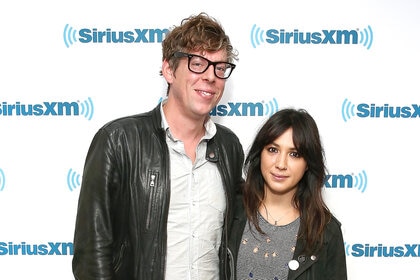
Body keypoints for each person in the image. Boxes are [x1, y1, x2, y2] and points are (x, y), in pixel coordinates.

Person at [72, 13, 244, 280]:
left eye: (220, 67)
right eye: (198, 63)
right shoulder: (118, 141)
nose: (211, 76)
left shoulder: (229, 147)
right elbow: (91, 253)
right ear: (168, 70)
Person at [229, 108, 347, 280]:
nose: (281, 164)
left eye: (294, 154)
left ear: (307, 163)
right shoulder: (231, 210)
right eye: (272, 150)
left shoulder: (326, 231)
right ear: (260, 153)